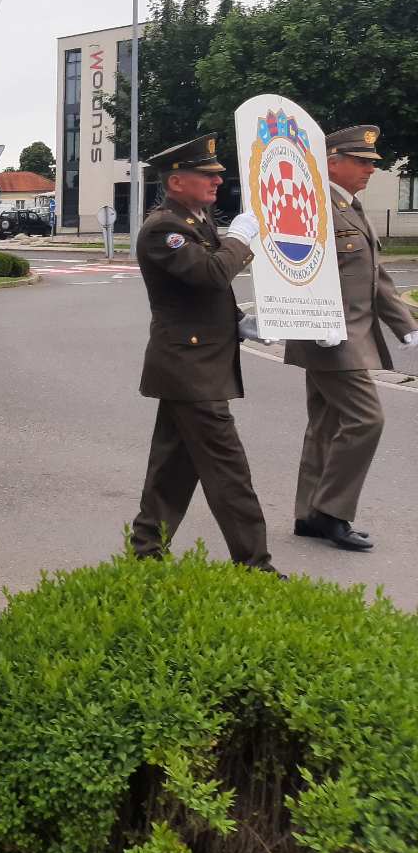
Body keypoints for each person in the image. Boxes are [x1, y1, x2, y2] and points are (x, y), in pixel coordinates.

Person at [129, 135, 276, 572]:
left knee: (173, 468)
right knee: (229, 471)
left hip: (193, 365)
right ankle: (255, 566)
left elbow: (201, 294)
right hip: (189, 369)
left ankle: (146, 553)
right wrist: (240, 239)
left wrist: (238, 323)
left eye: (216, 173)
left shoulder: (195, 221)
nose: (218, 179)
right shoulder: (163, 228)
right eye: (207, 174)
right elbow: (211, 274)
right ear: (177, 181)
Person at [283, 125, 418, 553]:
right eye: (361, 162)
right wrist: (309, 320)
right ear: (331, 162)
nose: (370, 170)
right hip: (327, 337)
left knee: (325, 425)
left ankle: (308, 514)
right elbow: (292, 265)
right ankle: (332, 512)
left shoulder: (352, 208)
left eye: (372, 163)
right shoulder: (313, 206)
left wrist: (407, 326)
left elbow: (377, 278)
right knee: (366, 420)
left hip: (345, 336)